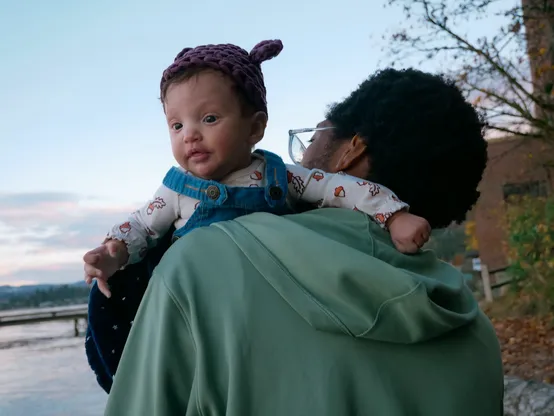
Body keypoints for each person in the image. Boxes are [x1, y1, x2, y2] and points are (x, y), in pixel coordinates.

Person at [102, 68, 504, 416]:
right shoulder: (478, 335)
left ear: (351, 152)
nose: (302, 152)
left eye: (312, 136)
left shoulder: (198, 266)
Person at [83, 39, 428, 300]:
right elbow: (143, 225)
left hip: (277, 297)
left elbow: (338, 188)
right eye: (176, 125)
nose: (189, 134)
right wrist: (114, 253)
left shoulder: (279, 177)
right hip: (199, 300)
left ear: (255, 127)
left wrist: (393, 215)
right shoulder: (177, 190)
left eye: (209, 118)